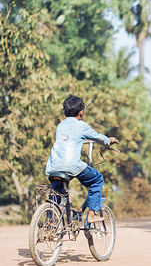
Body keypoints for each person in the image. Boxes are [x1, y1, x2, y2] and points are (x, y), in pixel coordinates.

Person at [45, 95, 118, 223]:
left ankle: (50, 221)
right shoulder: (81, 125)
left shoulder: (60, 126)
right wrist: (109, 141)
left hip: (53, 166)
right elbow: (98, 137)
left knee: (56, 192)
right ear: (81, 112)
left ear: (65, 112)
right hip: (71, 165)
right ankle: (91, 215)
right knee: (97, 179)